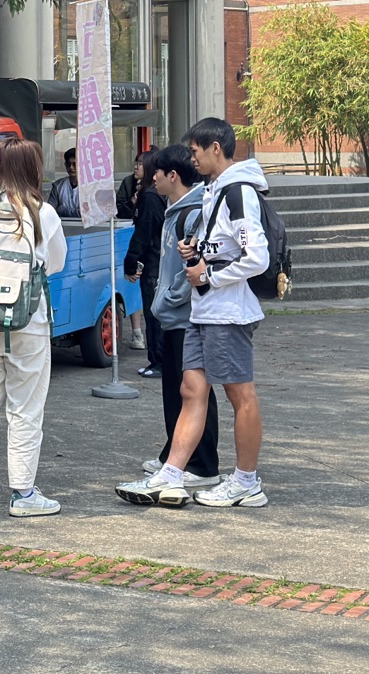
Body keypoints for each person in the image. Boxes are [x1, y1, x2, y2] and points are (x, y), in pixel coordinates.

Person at [116, 118, 269, 509]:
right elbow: (224, 248)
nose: (193, 159)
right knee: (191, 389)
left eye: (197, 151)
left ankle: (247, 482)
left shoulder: (238, 192)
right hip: (204, 311)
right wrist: (197, 256)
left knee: (240, 395)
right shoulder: (215, 191)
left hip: (228, 312)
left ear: (215, 147)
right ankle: (171, 473)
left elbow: (257, 258)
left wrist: (209, 274)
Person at [0, 137, 69, 517]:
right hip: (26, 323)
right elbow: (54, 265)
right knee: (24, 409)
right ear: (32, 170)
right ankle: (23, 494)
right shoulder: (42, 214)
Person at [139, 144, 221, 488]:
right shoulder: (175, 208)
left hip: (186, 316)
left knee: (194, 391)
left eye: (156, 173)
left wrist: (170, 297)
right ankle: (174, 453)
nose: (151, 178)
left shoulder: (194, 211)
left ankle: (202, 463)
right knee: (175, 389)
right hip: (172, 315)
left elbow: (195, 267)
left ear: (172, 176)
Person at [122, 150, 164, 373]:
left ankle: (158, 361)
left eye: (140, 163)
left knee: (153, 314)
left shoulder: (150, 197)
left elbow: (143, 235)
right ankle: (156, 360)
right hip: (155, 263)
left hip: (154, 266)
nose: (136, 167)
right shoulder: (148, 195)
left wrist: (131, 262)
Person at [47, 148, 80, 220]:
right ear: (65, 165)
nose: (71, 167)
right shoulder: (57, 186)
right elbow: (50, 212)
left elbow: (86, 213)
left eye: (74, 164)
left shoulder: (89, 187)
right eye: (69, 164)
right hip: (62, 227)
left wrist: (61, 209)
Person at [116, 155, 143, 221]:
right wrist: (132, 203)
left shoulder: (158, 185)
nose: (135, 167)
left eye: (140, 164)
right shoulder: (128, 181)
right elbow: (119, 210)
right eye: (136, 163)